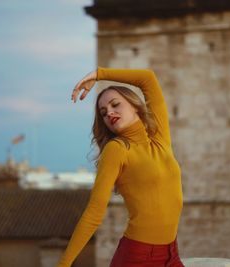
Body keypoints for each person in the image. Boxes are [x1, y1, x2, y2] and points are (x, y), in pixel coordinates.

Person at [56, 67, 185, 267]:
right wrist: (63, 264)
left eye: (115, 104)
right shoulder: (116, 149)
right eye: (103, 112)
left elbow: (147, 78)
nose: (109, 113)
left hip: (171, 254)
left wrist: (98, 75)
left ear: (135, 106)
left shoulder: (159, 138)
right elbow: (94, 212)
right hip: (137, 257)